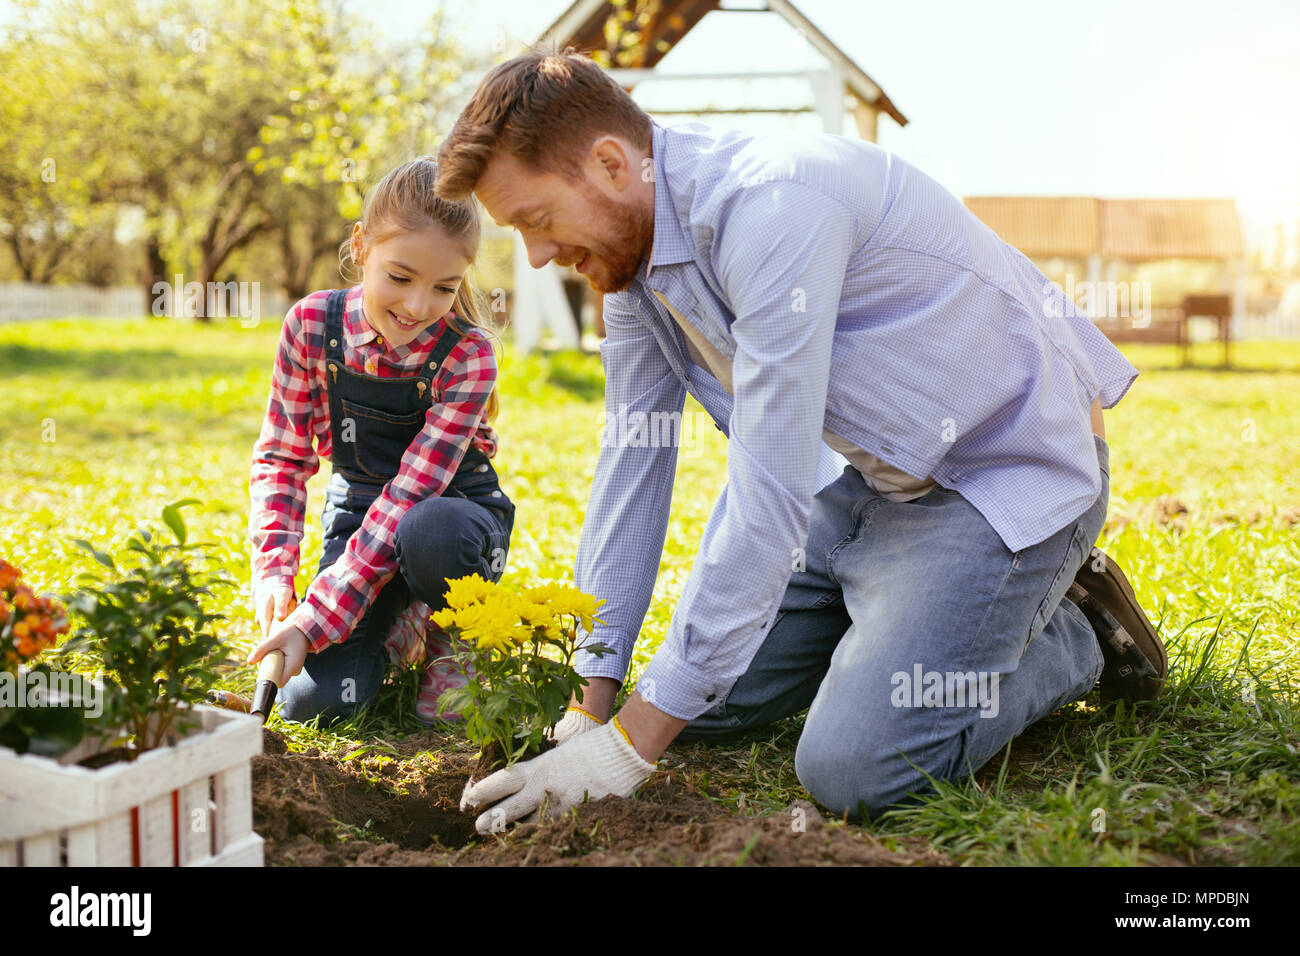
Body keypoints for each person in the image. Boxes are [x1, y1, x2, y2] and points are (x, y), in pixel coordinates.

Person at [438, 52, 1165, 833]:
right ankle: (897, 625)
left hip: (1008, 480)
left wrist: (630, 750)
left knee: (855, 768)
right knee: (700, 700)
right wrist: (595, 701)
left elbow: (769, 500)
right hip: (885, 486)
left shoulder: (774, 207)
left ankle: (1073, 635)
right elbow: (633, 468)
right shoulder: (634, 270)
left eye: (536, 221)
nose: (538, 256)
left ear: (611, 164)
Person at [245, 157, 514, 725]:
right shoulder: (311, 326)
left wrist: (315, 617)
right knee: (314, 704)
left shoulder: (467, 356)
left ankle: (452, 631)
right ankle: (397, 620)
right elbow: (283, 458)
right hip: (358, 513)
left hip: (449, 520)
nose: (418, 307)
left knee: (427, 533)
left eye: (445, 287)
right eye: (400, 277)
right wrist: (276, 573)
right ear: (361, 246)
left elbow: (408, 500)